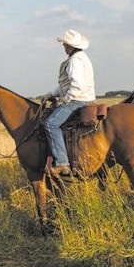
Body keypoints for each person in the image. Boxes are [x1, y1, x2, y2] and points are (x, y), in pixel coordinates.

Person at [41, 29, 95, 177]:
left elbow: (76, 85)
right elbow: (66, 85)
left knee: (51, 124)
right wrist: (51, 94)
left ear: (70, 46)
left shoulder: (75, 61)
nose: (64, 47)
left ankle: (62, 163)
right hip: (83, 98)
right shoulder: (81, 57)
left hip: (78, 100)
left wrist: (65, 100)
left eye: (65, 44)